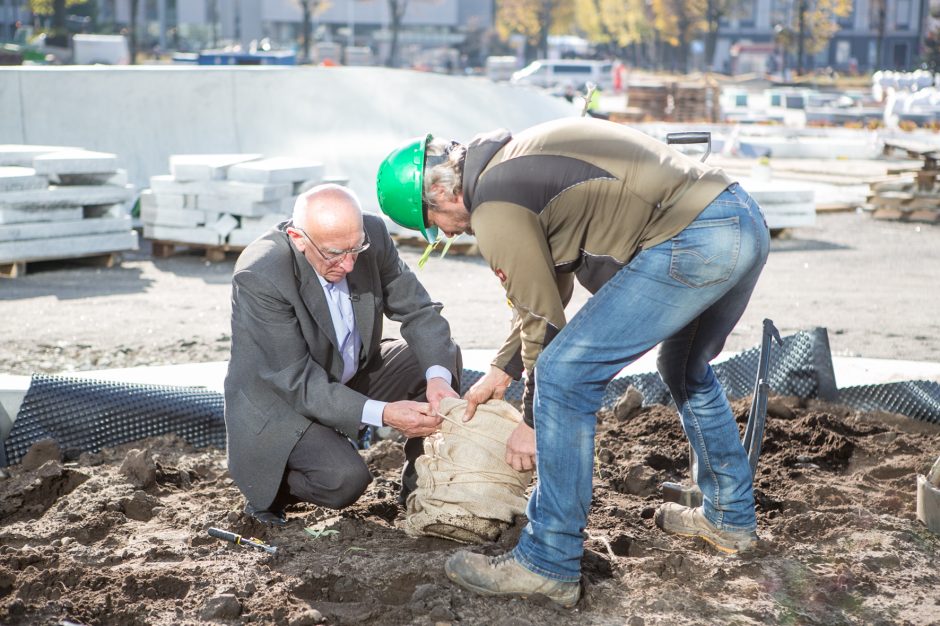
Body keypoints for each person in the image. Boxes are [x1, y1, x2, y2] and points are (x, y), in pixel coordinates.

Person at [376, 117, 770, 607]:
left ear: (441, 194)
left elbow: (544, 319)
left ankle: (549, 560)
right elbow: (547, 288)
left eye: (431, 222)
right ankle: (730, 516)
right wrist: (504, 368)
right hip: (739, 219)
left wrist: (532, 421)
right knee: (685, 368)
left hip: (694, 239)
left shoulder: (494, 206)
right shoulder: (513, 164)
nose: (442, 232)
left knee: (565, 376)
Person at [224, 184, 461, 526]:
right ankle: (274, 481)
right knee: (344, 481)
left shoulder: (371, 235)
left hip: (346, 373)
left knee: (438, 357)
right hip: (283, 399)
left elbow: (420, 312)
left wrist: (438, 380)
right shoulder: (261, 273)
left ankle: (422, 488)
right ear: (298, 237)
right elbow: (297, 381)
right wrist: (385, 414)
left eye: (356, 249)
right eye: (335, 254)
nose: (350, 265)